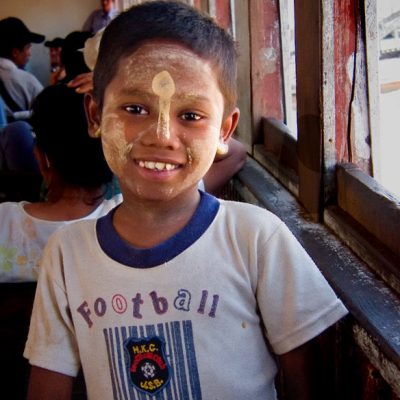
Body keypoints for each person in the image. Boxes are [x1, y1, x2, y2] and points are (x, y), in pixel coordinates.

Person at [25, 2, 347, 399]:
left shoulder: (255, 239)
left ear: (224, 131)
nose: (161, 135)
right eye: (135, 108)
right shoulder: (66, 256)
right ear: (94, 115)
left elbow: (307, 383)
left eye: (191, 116)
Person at [0, 17, 45, 122]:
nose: (29, 54)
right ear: (15, 52)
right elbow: (48, 111)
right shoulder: (27, 80)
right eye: (28, 48)